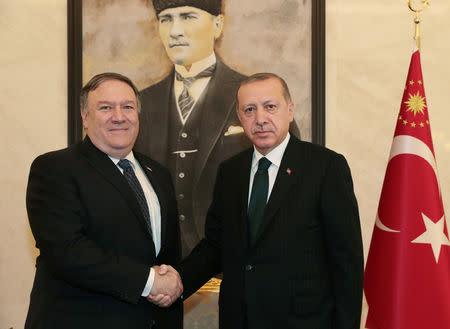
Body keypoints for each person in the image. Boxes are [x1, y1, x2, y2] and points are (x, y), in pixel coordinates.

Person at [154, 73, 364, 329]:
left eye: (270, 107)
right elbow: (215, 246)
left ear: (290, 110)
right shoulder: (230, 172)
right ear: (240, 118)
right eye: (249, 110)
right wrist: (178, 280)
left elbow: (346, 263)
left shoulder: (326, 167)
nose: (260, 119)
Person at [135, 0, 300, 257]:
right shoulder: (141, 103)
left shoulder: (254, 97)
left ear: (218, 24)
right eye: (166, 19)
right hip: (161, 262)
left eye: (188, 16)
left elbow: (289, 186)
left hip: (239, 259)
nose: (175, 30)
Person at [25, 73, 183, 329]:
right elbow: (67, 251)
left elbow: (167, 254)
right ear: (85, 117)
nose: (119, 116)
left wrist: (172, 283)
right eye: (106, 107)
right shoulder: (55, 168)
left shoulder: (159, 174)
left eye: (127, 107)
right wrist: (148, 281)